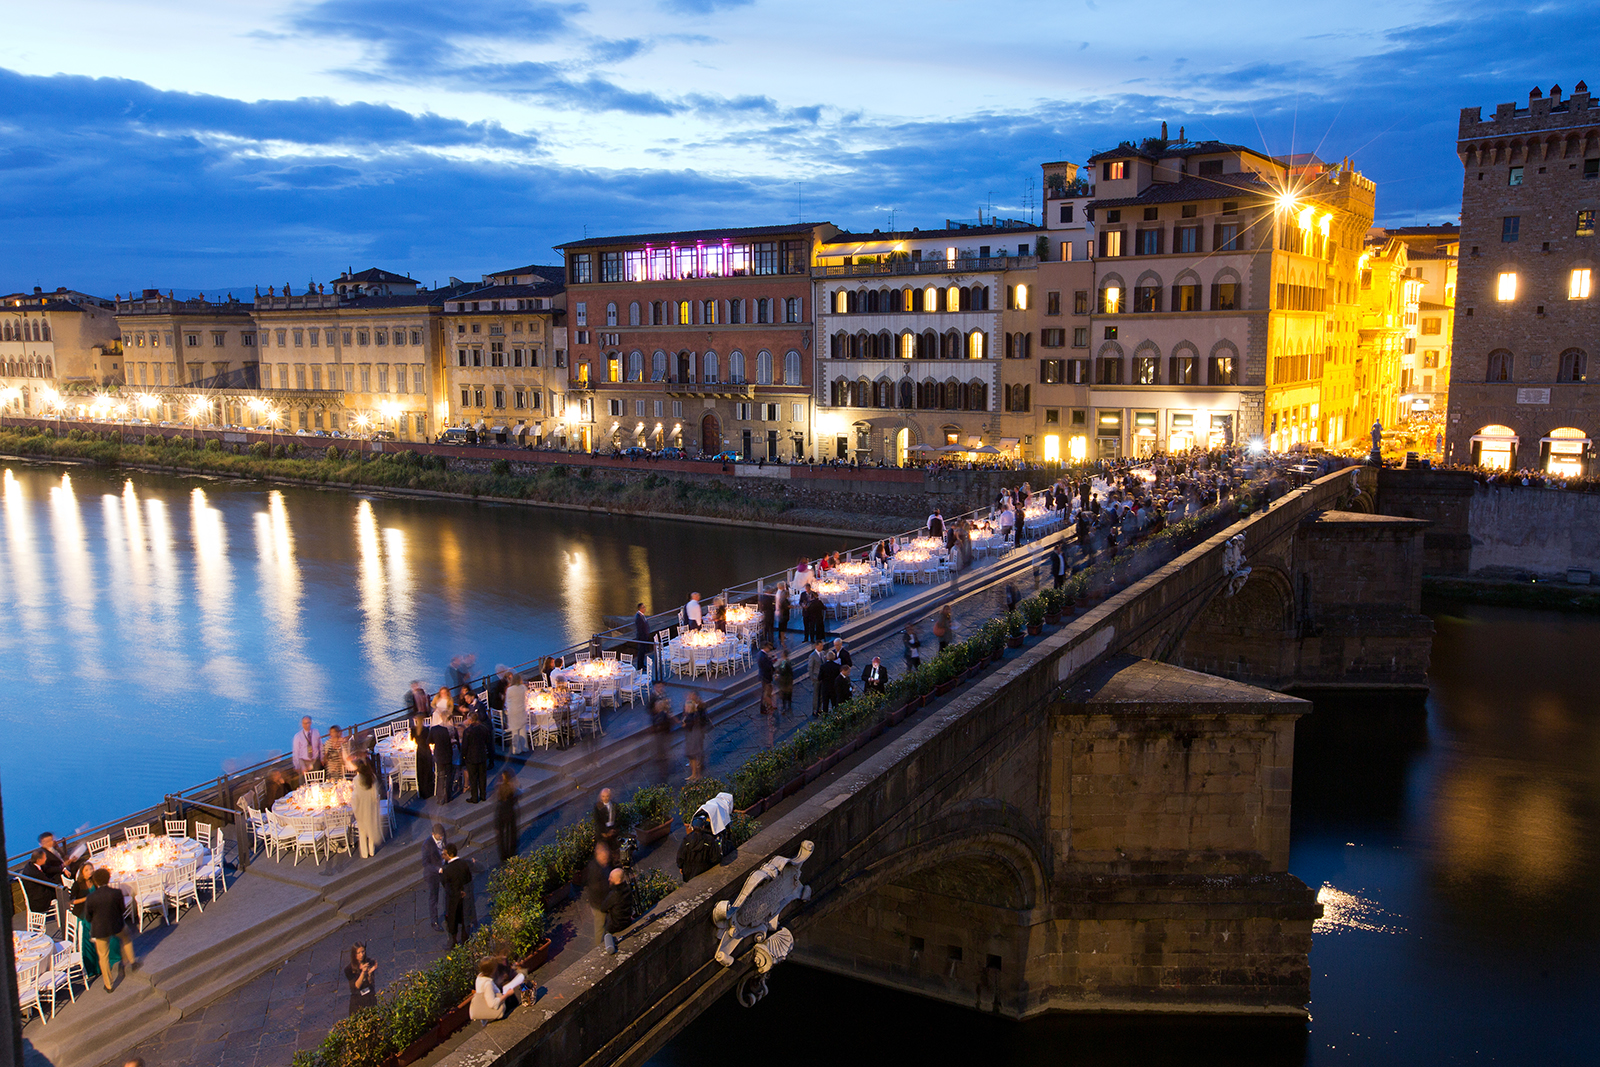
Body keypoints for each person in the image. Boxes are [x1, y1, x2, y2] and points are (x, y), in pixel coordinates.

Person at [85, 868, 136, 992]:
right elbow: (122, 910)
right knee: (126, 938)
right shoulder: (117, 893)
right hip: (116, 925)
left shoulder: (91, 898)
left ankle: (108, 984)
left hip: (100, 930)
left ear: (95, 881)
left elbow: (88, 917)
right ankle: (132, 961)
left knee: (103, 957)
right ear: (109, 879)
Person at [583, 841, 614, 949]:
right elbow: (599, 891)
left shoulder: (602, 865)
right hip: (599, 905)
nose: (606, 860)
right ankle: (598, 948)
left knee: (604, 925)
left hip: (603, 902)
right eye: (604, 857)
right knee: (600, 927)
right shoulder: (595, 870)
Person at [441, 844, 473, 946]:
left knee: (453, 919)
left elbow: (444, 884)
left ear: (450, 855)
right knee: (465, 918)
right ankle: (465, 939)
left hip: (454, 899)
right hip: (465, 896)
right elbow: (469, 878)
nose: (443, 856)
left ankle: (453, 941)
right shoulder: (464, 863)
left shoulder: (447, 869)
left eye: (444, 854)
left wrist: (441, 874)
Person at [470, 957, 518, 1022]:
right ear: (492, 970)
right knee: (512, 1000)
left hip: (485, 1013)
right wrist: (507, 994)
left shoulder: (479, 977)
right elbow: (493, 1004)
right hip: (494, 1014)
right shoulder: (488, 983)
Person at [600, 867, 634, 954]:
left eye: (611, 877)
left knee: (604, 941)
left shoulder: (614, 894)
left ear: (617, 879)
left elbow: (603, 907)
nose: (609, 879)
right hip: (627, 922)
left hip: (614, 926)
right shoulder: (627, 889)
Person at [677, 812, 720, 881]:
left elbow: (680, 856)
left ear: (692, 827)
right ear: (703, 827)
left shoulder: (686, 840)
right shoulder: (709, 840)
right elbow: (715, 858)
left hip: (688, 873)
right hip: (704, 872)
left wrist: (681, 866)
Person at [352, 759, 382, 858]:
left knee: (362, 831)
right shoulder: (372, 777)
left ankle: (364, 853)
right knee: (371, 828)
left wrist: (355, 808)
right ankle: (371, 850)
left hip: (361, 808)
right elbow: (375, 794)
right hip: (371, 807)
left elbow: (355, 796)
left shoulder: (356, 779)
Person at [461, 712, 492, 803]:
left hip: (471, 758)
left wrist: (463, 756)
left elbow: (465, 746)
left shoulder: (467, 731)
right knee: (482, 776)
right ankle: (483, 795)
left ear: (470, 720)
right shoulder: (483, 729)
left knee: (473, 778)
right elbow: (488, 742)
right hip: (482, 756)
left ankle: (474, 797)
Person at [422, 824, 448, 930]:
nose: (441, 837)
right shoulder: (427, 845)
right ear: (433, 834)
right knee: (434, 898)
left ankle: (448, 914)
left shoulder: (443, 836)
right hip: (432, 874)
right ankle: (434, 922)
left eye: (442, 835)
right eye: (439, 836)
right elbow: (425, 863)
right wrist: (437, 869)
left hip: (444, 869)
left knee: (448, 892)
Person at [649, 684, 675, 782]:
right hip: (660, 733)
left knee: (662, 751)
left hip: (662, 734)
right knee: (661, 750)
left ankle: (663, 771)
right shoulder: (653, 699)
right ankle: (662, 765)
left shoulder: (663, 716)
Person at [682, 690, 709, 781]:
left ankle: (697, 772)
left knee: (696, 754)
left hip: (695, 735)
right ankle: (695, 772)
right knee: (693, 755)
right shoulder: (691, 712)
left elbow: (702, 720)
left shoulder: (698, 710)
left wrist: (685, 724)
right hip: (692, 736)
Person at [20, 848, 55, 917]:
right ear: (39, 860)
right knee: (60, 891)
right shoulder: (35, 873)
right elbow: (49, 883)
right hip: (38, 900)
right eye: (45, 858)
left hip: (34, 894)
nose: (46, 859)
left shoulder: (29, 865)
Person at [345, 943, 378, 1017]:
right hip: (358, 1000)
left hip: (370, 997)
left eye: (363, 952)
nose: (361, 955)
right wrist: (363, 972)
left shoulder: (369, 962)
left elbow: (371, 982)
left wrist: (370, 973)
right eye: (358, 953)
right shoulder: (349, 969)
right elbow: (356, 986)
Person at [494, 771, 520, 864]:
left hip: (502, 811)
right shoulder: (511, 787)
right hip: (509, 811)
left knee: (501, 835)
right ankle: (511, 853)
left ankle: (503, 855)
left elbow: (499, 797)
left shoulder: (502, 787)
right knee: (511, 832)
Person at [429, 716, 455, 804]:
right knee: (449, 776)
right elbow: (450, 742)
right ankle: (448, 796)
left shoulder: (434, 729)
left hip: (439, 756)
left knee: (440, 777)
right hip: (447, 755)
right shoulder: (448, 729)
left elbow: (429, 741)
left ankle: (440, 798)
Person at [411, 714, 434, 801]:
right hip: (426, 751)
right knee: (427, 771)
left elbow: (412, 739)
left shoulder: (414, 729)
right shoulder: (426, 730)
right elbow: (430, 741)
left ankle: (421, 792)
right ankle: (428, 791)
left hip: (419, 751)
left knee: (420, 771)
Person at [504, 672, 528, 755]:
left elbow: (507, 702)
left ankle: (516, 749)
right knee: (522, 729)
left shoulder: (510, 690)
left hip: (513, 712)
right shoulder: (523, 688)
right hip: (521, 710)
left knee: (515, 731)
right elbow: (526, 699)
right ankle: (524, 747)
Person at [817, 652, 841, 717]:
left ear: (827, 657)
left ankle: (825, 717)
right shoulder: (837, 667)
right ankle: (836, 716)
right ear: (834, 657)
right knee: (834, 703)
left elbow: (819, 678)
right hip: (834, 688)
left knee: (825, 704)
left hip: (825, 688)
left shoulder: (823, 666)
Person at [632, 601, 653, 670]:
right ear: (640, 609)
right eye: (643, 607)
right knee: (641, 652)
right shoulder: (638, 617)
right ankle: (640, 666)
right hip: (641, 638)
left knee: (643, 652)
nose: (645, 608)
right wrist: (643, 637)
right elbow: (640, 629)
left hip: (644, 637)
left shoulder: (642, 615)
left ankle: (642, 665)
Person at [756, 643, 776, 714]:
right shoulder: (763, 656)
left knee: (767, 692)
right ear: (766, 647)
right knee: (766, 693)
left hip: (764, 676)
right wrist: (772, 661)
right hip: (765, 676)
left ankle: (768, 705)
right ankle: (764, 708)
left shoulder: (760, 654)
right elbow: (767, 666)